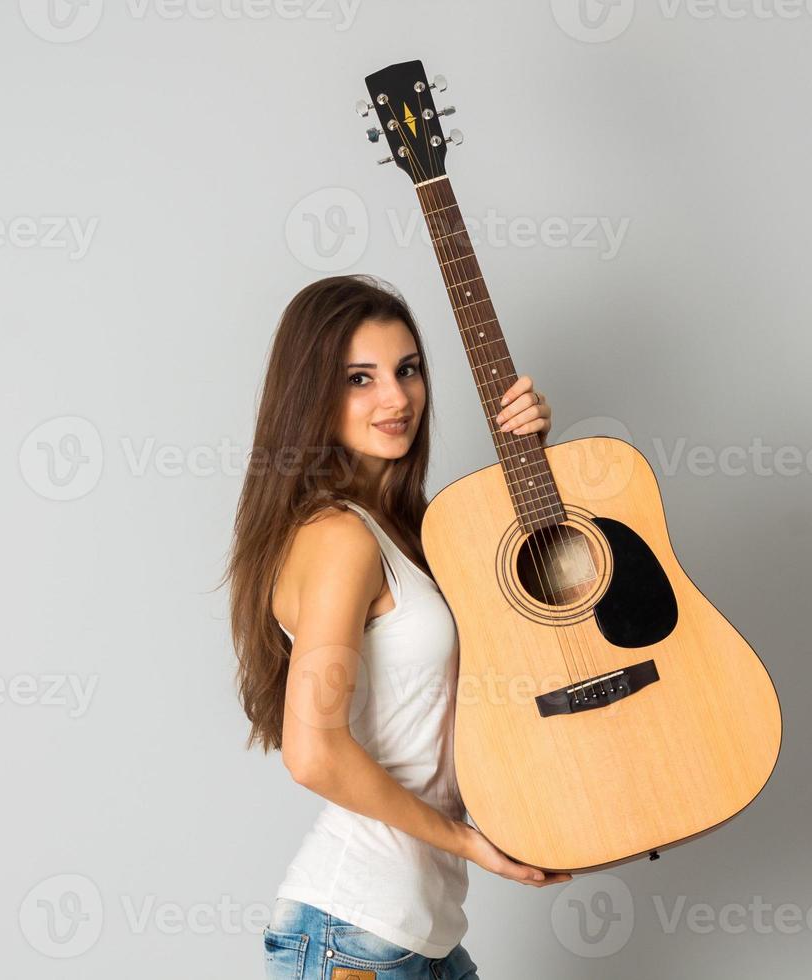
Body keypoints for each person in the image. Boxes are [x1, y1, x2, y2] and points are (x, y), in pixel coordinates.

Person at [225, 274, 572, 980]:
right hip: (354, 931)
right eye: (360, 378)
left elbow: (548, 617)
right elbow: (312, 755)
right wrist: (471, 843)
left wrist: (539, 458)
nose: (396, 397)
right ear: (311, 398)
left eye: (407, 369)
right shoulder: (338, 539)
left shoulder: (409, 534)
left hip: (416, 939)